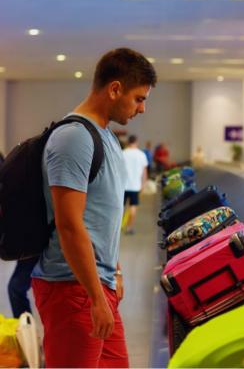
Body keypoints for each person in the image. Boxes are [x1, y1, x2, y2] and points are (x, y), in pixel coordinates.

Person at [30, 48, 157, 368]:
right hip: (72, 289)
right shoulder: (73, 138)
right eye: (139, 98)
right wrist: (96, 297)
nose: (142, 109)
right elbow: (70, 224)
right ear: (115, 89)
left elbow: (103, 217)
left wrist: (114, 273)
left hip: (97, 286)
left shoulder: (107, 138)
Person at [122, 134, 148, 235]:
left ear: (128, 142)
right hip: (135, 186)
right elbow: (144, 171)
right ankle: (129, 228)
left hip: (123, 185)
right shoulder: (141, 154)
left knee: (121, 207)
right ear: (136, 142)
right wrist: (144, 184)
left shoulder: (123, 153)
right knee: (133, 206)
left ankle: (117, 228)